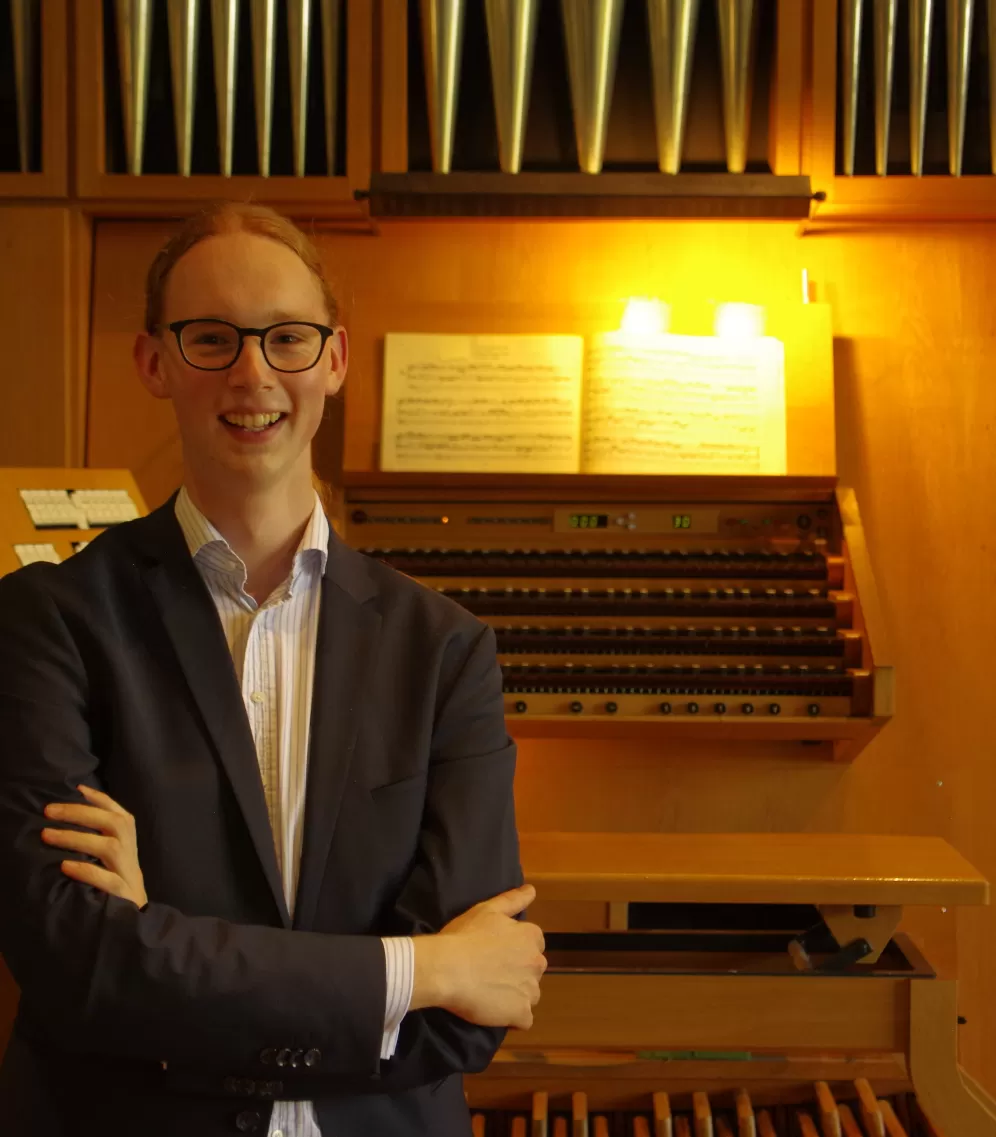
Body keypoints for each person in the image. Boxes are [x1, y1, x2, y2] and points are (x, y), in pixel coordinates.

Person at [0, 202, 546, 1137]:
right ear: (154, 362)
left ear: (333, 359)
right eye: (210, 338)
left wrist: (163, 962)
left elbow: (466, 1026)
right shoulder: (50, 620)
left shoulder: (447, 649)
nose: (253, 373)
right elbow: (75, 963)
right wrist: (422, 969)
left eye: (287, 338)